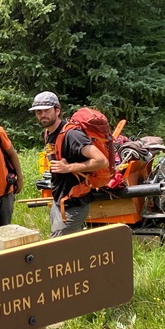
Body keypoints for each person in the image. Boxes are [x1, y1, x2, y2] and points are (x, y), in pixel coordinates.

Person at [29, 91, 108, 237]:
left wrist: (68, 168)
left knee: (55, 250)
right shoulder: (48, 133)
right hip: (59, 201)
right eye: (38, 112)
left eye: (47, 110)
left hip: (75, 203)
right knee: (67, 251)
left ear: (57, 110)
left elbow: (102, 161)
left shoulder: (72, 135)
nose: (42, 115)